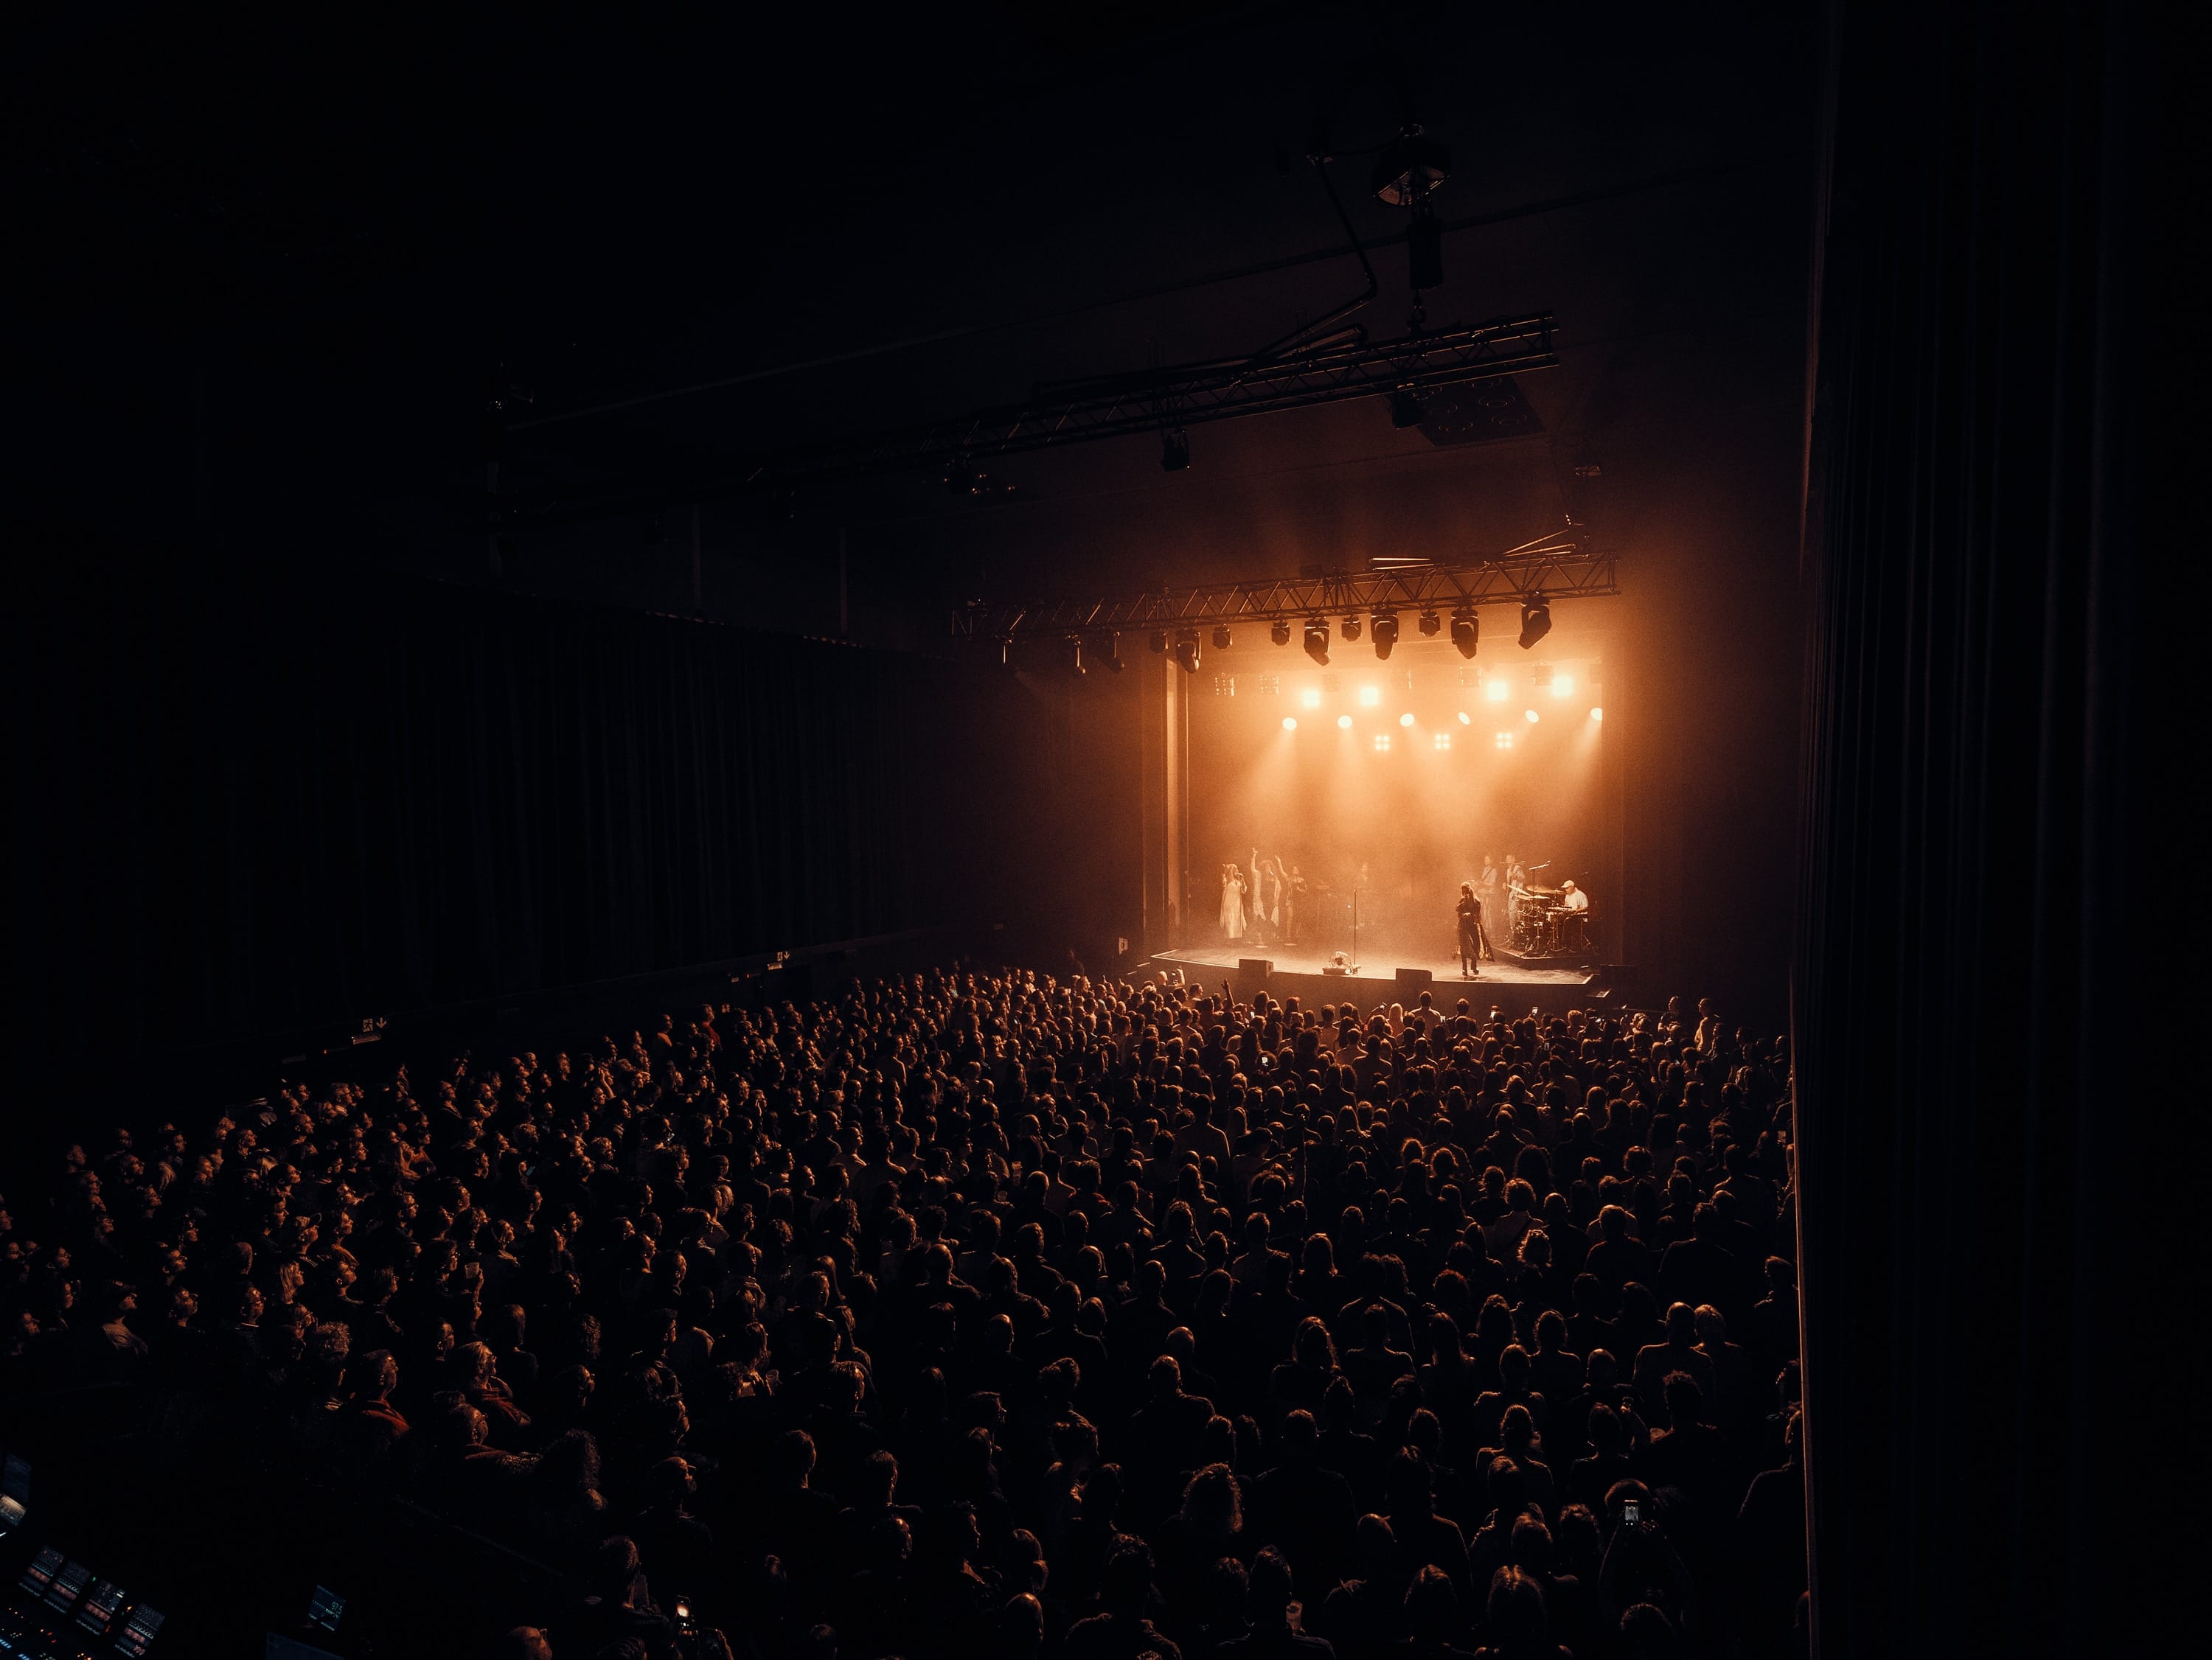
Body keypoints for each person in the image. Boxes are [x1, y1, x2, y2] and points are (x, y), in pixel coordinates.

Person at [1455, 885, 1488, 979]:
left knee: (1475, 945)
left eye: (1466, 891)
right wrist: (1463, 904)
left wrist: (1470, 915)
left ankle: (1474, 965)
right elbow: (1457, 909)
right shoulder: (1462, 901)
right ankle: (1464, 967)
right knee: (1464, 946)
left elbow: (1477, 913)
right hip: (1463, 926)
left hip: (1473, 926)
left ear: (1470, 891)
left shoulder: (1476, 901)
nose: (1465, 893)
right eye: (1463, 892)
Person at [1222, 865, 1248, 943]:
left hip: (1237, 903)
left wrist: (1242, 880)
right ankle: (1229, 939)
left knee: (1236, 919)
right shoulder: (1227, 880)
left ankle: (1236, 939)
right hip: (1229, 902)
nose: (1237, 871)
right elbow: (1223, 885)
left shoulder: (1239, 880)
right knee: (1230, 919)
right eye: (1234, 870)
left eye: (1237, 869)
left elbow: (1243, 891)